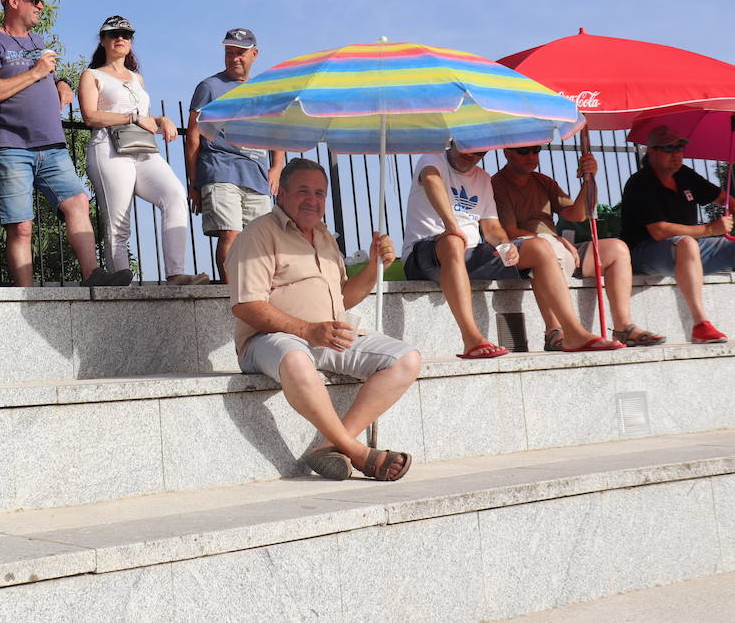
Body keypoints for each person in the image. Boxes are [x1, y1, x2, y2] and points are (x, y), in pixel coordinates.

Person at [229, 158, 419, 481]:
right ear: (282, 194)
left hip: (325, 335)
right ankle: (358, 452)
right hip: (267, 340)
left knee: (406, 359)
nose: (312, 200)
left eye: (319, 193)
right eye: (303, 191)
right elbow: (246, 306)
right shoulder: (258, 233)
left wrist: (374, 267)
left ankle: (332, 444)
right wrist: (307, 330)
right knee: (296, 359)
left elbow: (344, 297)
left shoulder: (325, 237)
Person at [0, 0, 131, 287]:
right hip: (11, 146)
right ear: (13, 1)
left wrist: (62, 83)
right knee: (21, 227)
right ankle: (27, 296)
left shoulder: (37, 40)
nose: (40, 6)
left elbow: (49, 74)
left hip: (53, 146)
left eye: (42, 1)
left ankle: (93, 276)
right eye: (35, 0)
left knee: (78, 203)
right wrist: (35, 72)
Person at [402, 142, 624, 357]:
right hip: (425, 253)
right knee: (453, 241)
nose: (471, 153)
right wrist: (452, 226)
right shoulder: (432, 160)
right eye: (466, 146)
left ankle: (573, 332)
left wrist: (504, 244)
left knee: (540, 247)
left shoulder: (483, 178)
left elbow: (492, 228)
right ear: (453, 141)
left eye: (479, 150)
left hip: (469, 252)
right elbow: (431, 181)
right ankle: (471, 339)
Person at [492, 145, 664, 347]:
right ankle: (555, 331)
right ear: (507, 153)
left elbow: (577, 214)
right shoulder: (498, 184)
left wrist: (589, 180)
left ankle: (623, 327)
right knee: (545, 248)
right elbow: (509, 231)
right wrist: (553, 239)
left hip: (558, 247)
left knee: (617, 248)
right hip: (528, 251)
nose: (531, 156)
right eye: (523, 151)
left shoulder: (543, 181)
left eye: (536, 150)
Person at [79, 15, 207, 285]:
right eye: (114, 34)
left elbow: (144, 116)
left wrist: (161, 120)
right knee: (119, 217)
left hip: (142, 147)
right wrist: (132, 118)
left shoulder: (138, 78)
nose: (120, 39)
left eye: (126, 34)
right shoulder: (91, 75)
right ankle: (120, 279)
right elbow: (90, 116)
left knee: (174, 194)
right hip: (109, 147)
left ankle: (175, 273)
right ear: (102, 40)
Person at [184, 27, 283, 283]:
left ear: (254, 54)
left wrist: (278, 167)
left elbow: (276, 131)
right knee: (231, 234)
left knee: (261, 242)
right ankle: (229, 295)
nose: (235, 58)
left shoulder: (265, 90)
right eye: (230, 52)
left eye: (240, 53)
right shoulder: (209, 87)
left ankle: (257, 294)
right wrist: (194, 183)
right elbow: (193, 136)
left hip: (257, 175)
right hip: (220, 169)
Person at [619, 124, 730, 344]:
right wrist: (709, 229)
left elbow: (723, 199)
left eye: (680, 147)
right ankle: (701, 325)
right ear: (652, 152)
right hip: (645, 253)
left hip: (689, 250)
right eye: (669, 149)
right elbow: (659, 231)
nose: (676, 154)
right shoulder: (640, 182)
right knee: (687, 243)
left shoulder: (685, 175)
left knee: (689, 244)